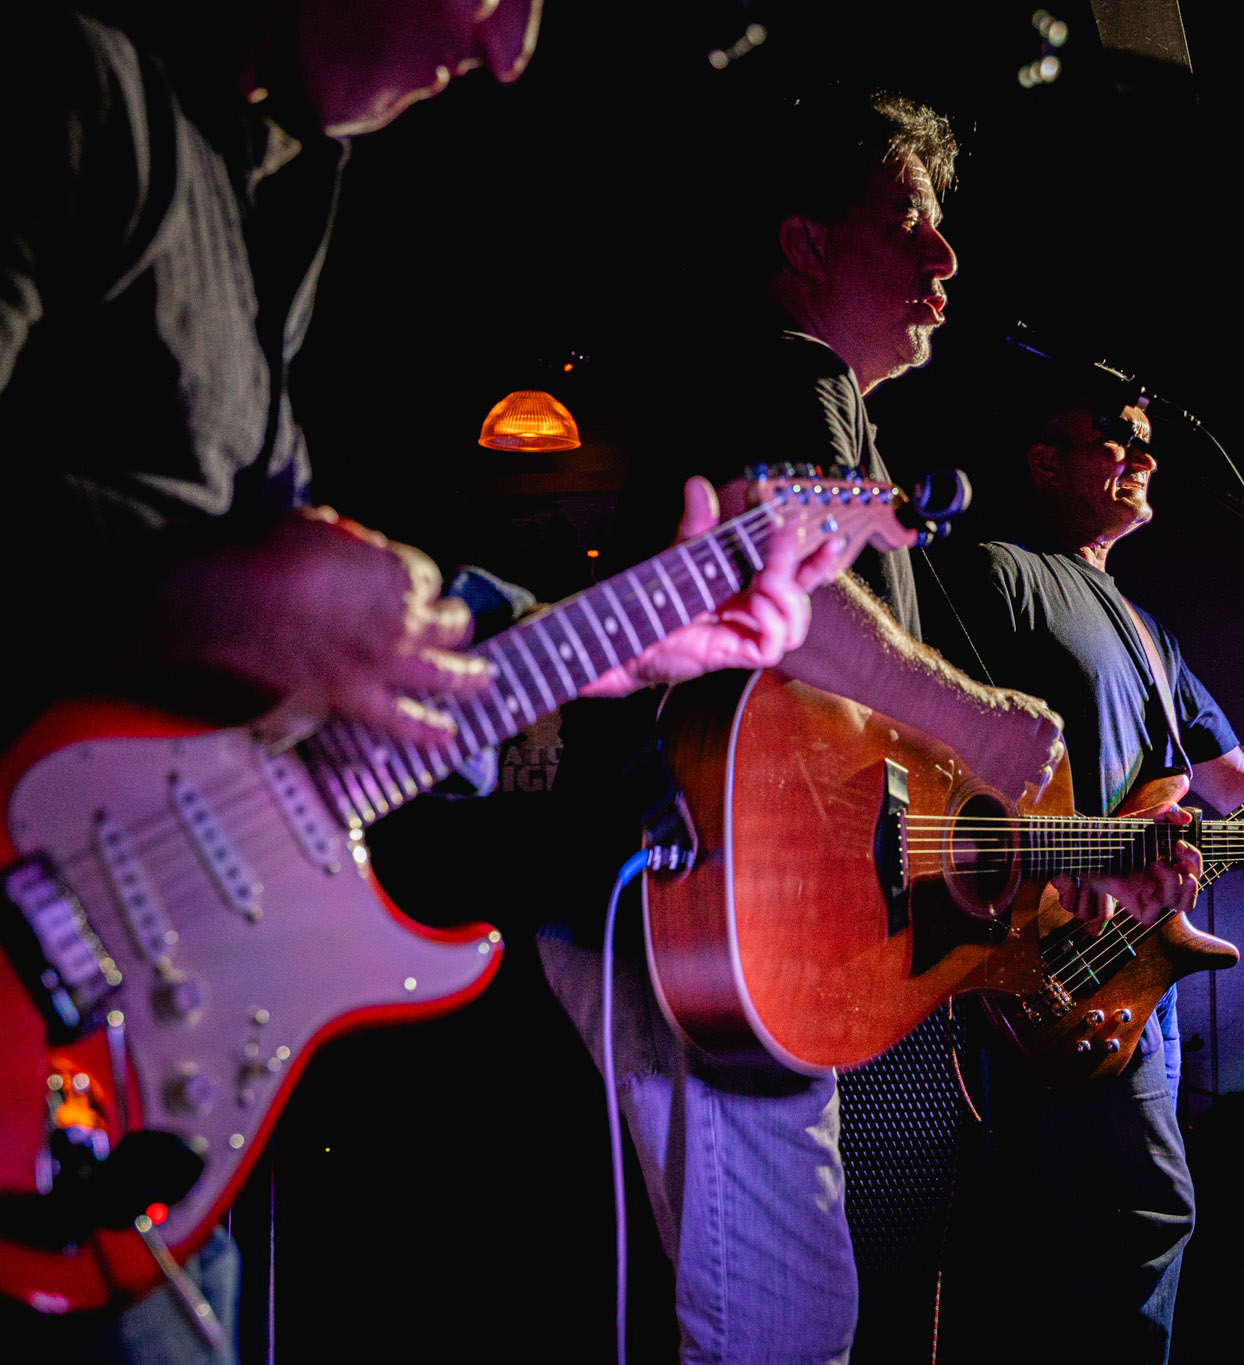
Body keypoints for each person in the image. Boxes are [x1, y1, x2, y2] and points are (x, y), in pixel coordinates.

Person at [0, 4, 842, 1360]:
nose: (511, 52)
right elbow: (233, 597)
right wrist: (211, 596)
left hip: (146, 1034)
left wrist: (613, 648)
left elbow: (314, 658)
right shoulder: (69, 82)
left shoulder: (279, 189)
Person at [536, 88, 1200, 1364]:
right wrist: (981, 714)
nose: (946, 258)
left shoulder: (839, 421)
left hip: (751, 919)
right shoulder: (785, 374)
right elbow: (769, 582)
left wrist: (1078, 860)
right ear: (805, 242)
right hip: (700, 905)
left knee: (795, 1316)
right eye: (911, 222)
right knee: (784, 1324)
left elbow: (899, 798)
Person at [924, 382, 1244, 1362]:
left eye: (1149, 443)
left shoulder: (1149, 632)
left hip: (1129, 974)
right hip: (1034, 951)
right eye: (1116, 438)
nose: (1143, 456)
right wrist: (1060, 866)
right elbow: (949, 752)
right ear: (1045, 461)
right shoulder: (1000, 573)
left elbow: (1230, 777)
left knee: (1120, 1224)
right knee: (1129, 1217)